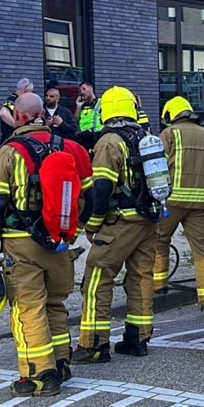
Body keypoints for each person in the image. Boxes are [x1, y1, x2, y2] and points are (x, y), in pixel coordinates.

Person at [0, 92, 94, 397]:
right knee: (54, 304)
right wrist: (72, 231)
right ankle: (61, 362)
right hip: (60, 244)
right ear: (43, 114)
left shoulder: (9, 153)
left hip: (20, 246)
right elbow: (91, 200)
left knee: (28, 309)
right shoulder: (74, 149)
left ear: (20, 117)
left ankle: (39, 375)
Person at [73, 87, 160, 363]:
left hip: (121, 222)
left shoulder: (110, 142)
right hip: (148, 220)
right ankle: (138, 338)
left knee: (97, 278)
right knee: (141, 277)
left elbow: (101, 188)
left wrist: (92, 225)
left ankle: (93, 345)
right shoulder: (145, 137)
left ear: (106, 112)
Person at [152, 96, 204, 316]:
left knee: (157, 240)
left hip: (171, 201)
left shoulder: (168, 134)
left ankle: (158, 286)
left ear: (170, 115)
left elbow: (157, 171)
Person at [0, 78, 34, 145]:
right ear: (26, 91)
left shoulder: (21, 101)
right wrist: (19, 128)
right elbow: (3, 113)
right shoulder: (12, 100)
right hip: (10, 141)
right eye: (31, 92)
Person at [76, 81, 101, 150]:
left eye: (84, 89)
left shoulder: (100, 102)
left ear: (91, 88)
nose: (82, 92)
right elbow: (76, 120)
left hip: (97, 137)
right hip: (84, 139)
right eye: (80, 91)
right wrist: (78, 106)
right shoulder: (82, 105)